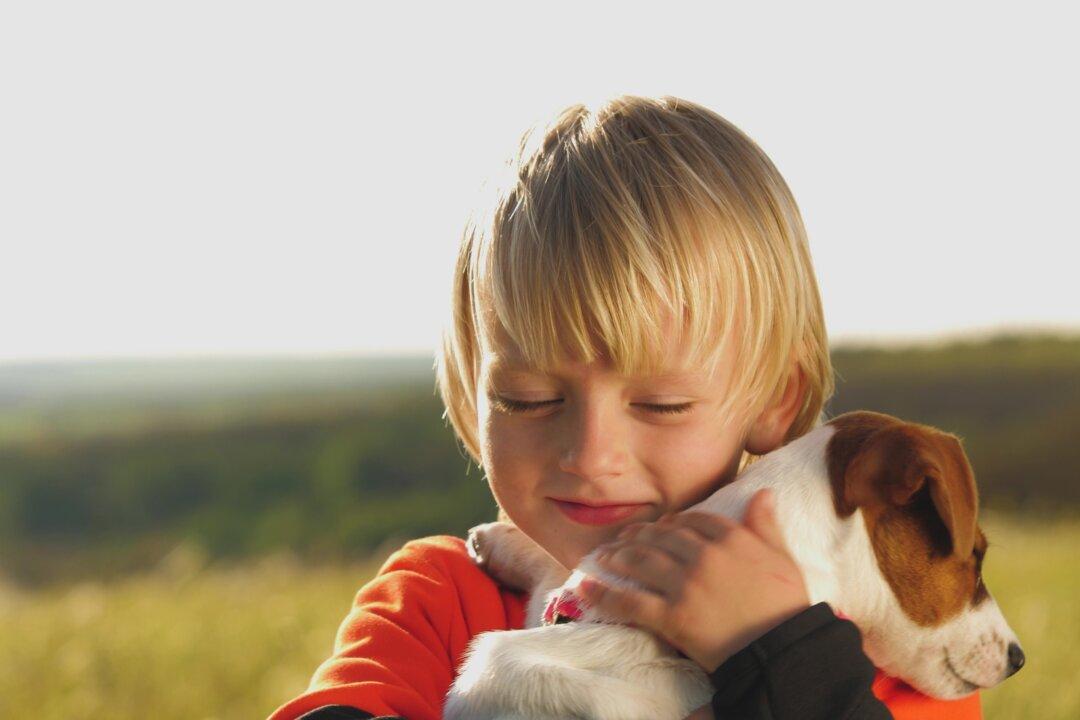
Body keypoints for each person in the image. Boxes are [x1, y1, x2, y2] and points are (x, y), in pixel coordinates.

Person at [267, 96, 983, 720]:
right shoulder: (441, 599)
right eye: (528, 399)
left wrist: (770, 647)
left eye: (662, 404)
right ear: (469, 399)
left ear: (777, 400)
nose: (589, 454)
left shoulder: (874, 639)